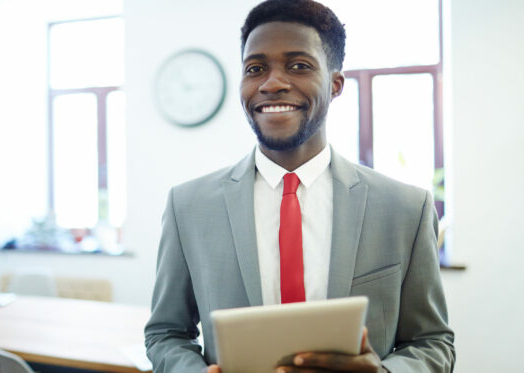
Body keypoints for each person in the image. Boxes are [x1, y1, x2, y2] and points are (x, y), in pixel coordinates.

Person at [144, 0, 455, 372]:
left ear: (335, 84)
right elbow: (165, 333)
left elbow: (432, 343)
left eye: (299, 65)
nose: (272, 83)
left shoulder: (406, 207)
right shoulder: (188, 206)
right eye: (255, 68)